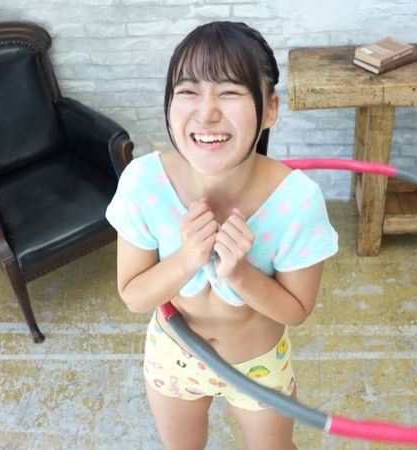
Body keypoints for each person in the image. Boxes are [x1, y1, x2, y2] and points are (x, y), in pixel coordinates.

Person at [105, 21, 338, 449]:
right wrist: (186, 259)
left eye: (229, 92)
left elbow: (296, 310)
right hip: (174, 356)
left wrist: (240, 275)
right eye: (188, 92)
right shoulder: (144, 184)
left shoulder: (297, 201)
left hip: (259, 364)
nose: (207, 112)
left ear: (271, 109)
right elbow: (134, 296)